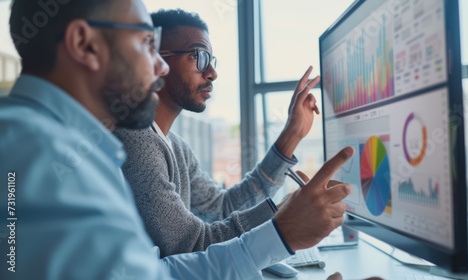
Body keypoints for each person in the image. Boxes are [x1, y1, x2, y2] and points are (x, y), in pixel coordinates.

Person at [0, 0, 358, 279]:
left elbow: (154, 270)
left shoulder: (74, 147)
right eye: (145, 43)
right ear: (84, 44)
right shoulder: (40, 156)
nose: (161, 66)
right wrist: (283, 229)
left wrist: (283, 218)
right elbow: (186, 246)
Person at [113, 8, 322, 257]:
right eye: (199, 56)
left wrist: (292, 134)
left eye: (211, 60)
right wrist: (285, 216)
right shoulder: (135, 140)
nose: (212, 73)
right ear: (155, 59)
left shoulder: (176, 147)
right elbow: (190, 245)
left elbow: (223, 208)